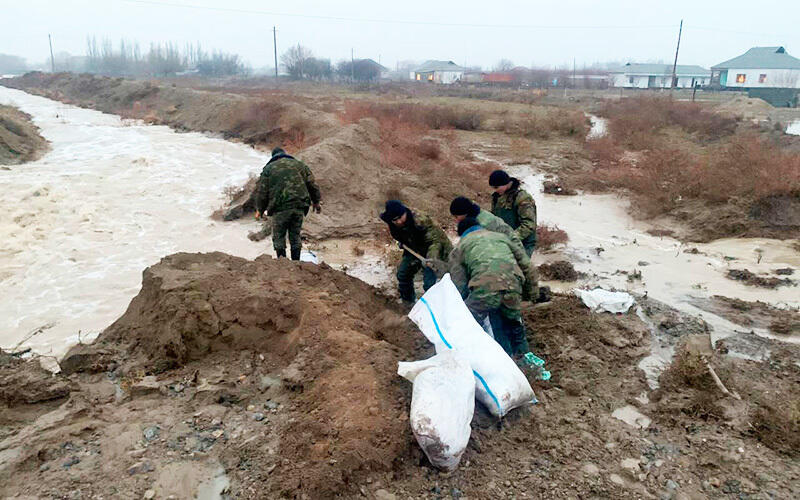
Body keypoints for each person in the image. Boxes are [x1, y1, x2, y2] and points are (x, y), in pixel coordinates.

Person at [449, 216, 534, 359]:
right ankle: (526, 361)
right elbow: (527, 266)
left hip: (484, 288)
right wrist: (531, 294)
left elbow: (460, 284)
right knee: (514, 325)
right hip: (513, 285)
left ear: (462, 234)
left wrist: (462, 304)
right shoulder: (501, 237)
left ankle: (486, 359)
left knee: (470, 322)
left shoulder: (460, 248)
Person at [255, 147, 321, 260]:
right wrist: (316, 202)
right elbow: (312, 185)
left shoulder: (269, 169)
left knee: (279, 237)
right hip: (299, 205)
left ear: (273, 157)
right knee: (295, 236)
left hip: (280, 208)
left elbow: (262, 192)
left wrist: (260, 210)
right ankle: (296, 262)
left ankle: (282, 263)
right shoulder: (300, 165)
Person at [380, 200, 452, 303]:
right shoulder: (393, 224)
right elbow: (401, 237)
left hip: (435, 248)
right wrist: (401, 243)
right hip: (415, 249)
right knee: (403, 274)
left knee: (429, 282)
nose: (399, 222)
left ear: (404, 212)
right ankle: (408, 303)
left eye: (400, 217)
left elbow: (435, 242)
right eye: (395, 220)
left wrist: (430, 259)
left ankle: (433, 307)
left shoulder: (420, 220)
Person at [489, 170, 537, 257]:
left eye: (496, 187)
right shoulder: (497, 197)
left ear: (505, 184)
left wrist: (511, 238)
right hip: (503, 241)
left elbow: (529, 224)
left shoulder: (522, 198)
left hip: (522, 243)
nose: (495, 190)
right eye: (493, 188)